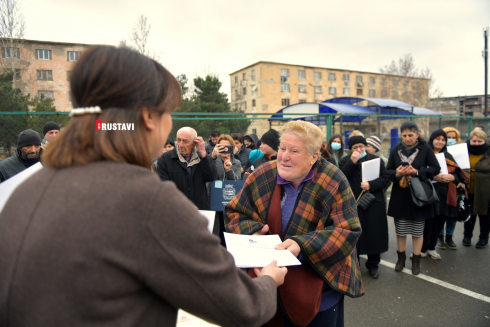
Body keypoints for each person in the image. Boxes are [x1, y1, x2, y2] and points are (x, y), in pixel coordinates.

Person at [0, 45, 287, 326]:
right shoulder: (144, 200)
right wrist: (268, 281)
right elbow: (242, 306)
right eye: (168, 112)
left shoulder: (25, 189)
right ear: (148, 118)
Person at [225, 120, 364, 327]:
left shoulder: (334, 179)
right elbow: (236, 211)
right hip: (268, 285)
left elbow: (347, 230)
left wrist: (302, 245)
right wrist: (253, 232)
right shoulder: (263, 174)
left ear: (314, 156)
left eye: (294, 151)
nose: (284, 156)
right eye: (282, 148)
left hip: (319, 291)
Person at [386, 122, 440, 275]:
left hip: (419, 195)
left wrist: (417, 172)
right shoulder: (396, 150)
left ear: (417, 135)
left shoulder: (425, 149)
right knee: (401, 229)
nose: (407, 138)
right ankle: (401, 259)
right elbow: (388, 171)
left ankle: (416, 261)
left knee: (418, 231)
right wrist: (397, 174)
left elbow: (435, 168)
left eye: (410, 135)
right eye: (404, 136)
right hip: (400, 196)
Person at [339, 136, 390, 279]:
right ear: (351, 149)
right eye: (355, 147)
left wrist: (371, 185)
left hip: (373, 203)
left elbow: (386, 179)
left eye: (361, 146)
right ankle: (354, 265)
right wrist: (352, 161)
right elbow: (341, 178)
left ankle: (373, 265)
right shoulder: (345, 161)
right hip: (353, 204)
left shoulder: (375, 160)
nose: (359, 149)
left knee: (374, 234)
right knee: (355, 235)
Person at [422, 130, 467, 260]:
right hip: (429, 194)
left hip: (445, 196)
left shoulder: (448, 155)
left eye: (443, 140)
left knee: (439, 222)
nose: (440, 142)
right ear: (432, 139)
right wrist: (433, 175)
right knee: (428, 223)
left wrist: (452, 176)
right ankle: (422, 249)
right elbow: (420, 170)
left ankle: (431, 248)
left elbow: (459, 174)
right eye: (438, 139)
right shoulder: (425, 154)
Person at [157, 127, 218, 210]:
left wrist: (205, 156)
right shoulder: (165, 159)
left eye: (185, 141)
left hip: (200, 210)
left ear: (194, 143)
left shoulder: (201, 158)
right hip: (175, 210)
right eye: (178, 140)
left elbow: (212, 177)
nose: (180, 145)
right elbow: (163, 188)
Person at [463, 129, 490, 249]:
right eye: (474, 141)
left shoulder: (488, 152)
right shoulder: (464, 151)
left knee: (485, 215)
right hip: (468, 189)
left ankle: (483, 238)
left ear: (485, 140)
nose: (477, 143)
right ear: (470, 140)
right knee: (469, 214)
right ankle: (467, 236)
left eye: (480, 141)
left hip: (485, 190)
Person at [437, 127, 463, 250]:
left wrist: (455, 178)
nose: (451, 140)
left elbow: (464, 170)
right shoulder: (436, 152)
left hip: (454, 187)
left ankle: (449, 237)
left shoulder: (460, 151)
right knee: (441, 212)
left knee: (452, 214)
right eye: (449, 137)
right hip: (440, 186)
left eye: (454, 137)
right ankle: (440, 237)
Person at [366, 135, 391, 204]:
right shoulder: (364, 159)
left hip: (379, 195)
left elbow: (387, 180)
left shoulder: (384, 161)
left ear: (375, 148)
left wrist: (376, 187)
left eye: (368, 146)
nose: (366, 149)